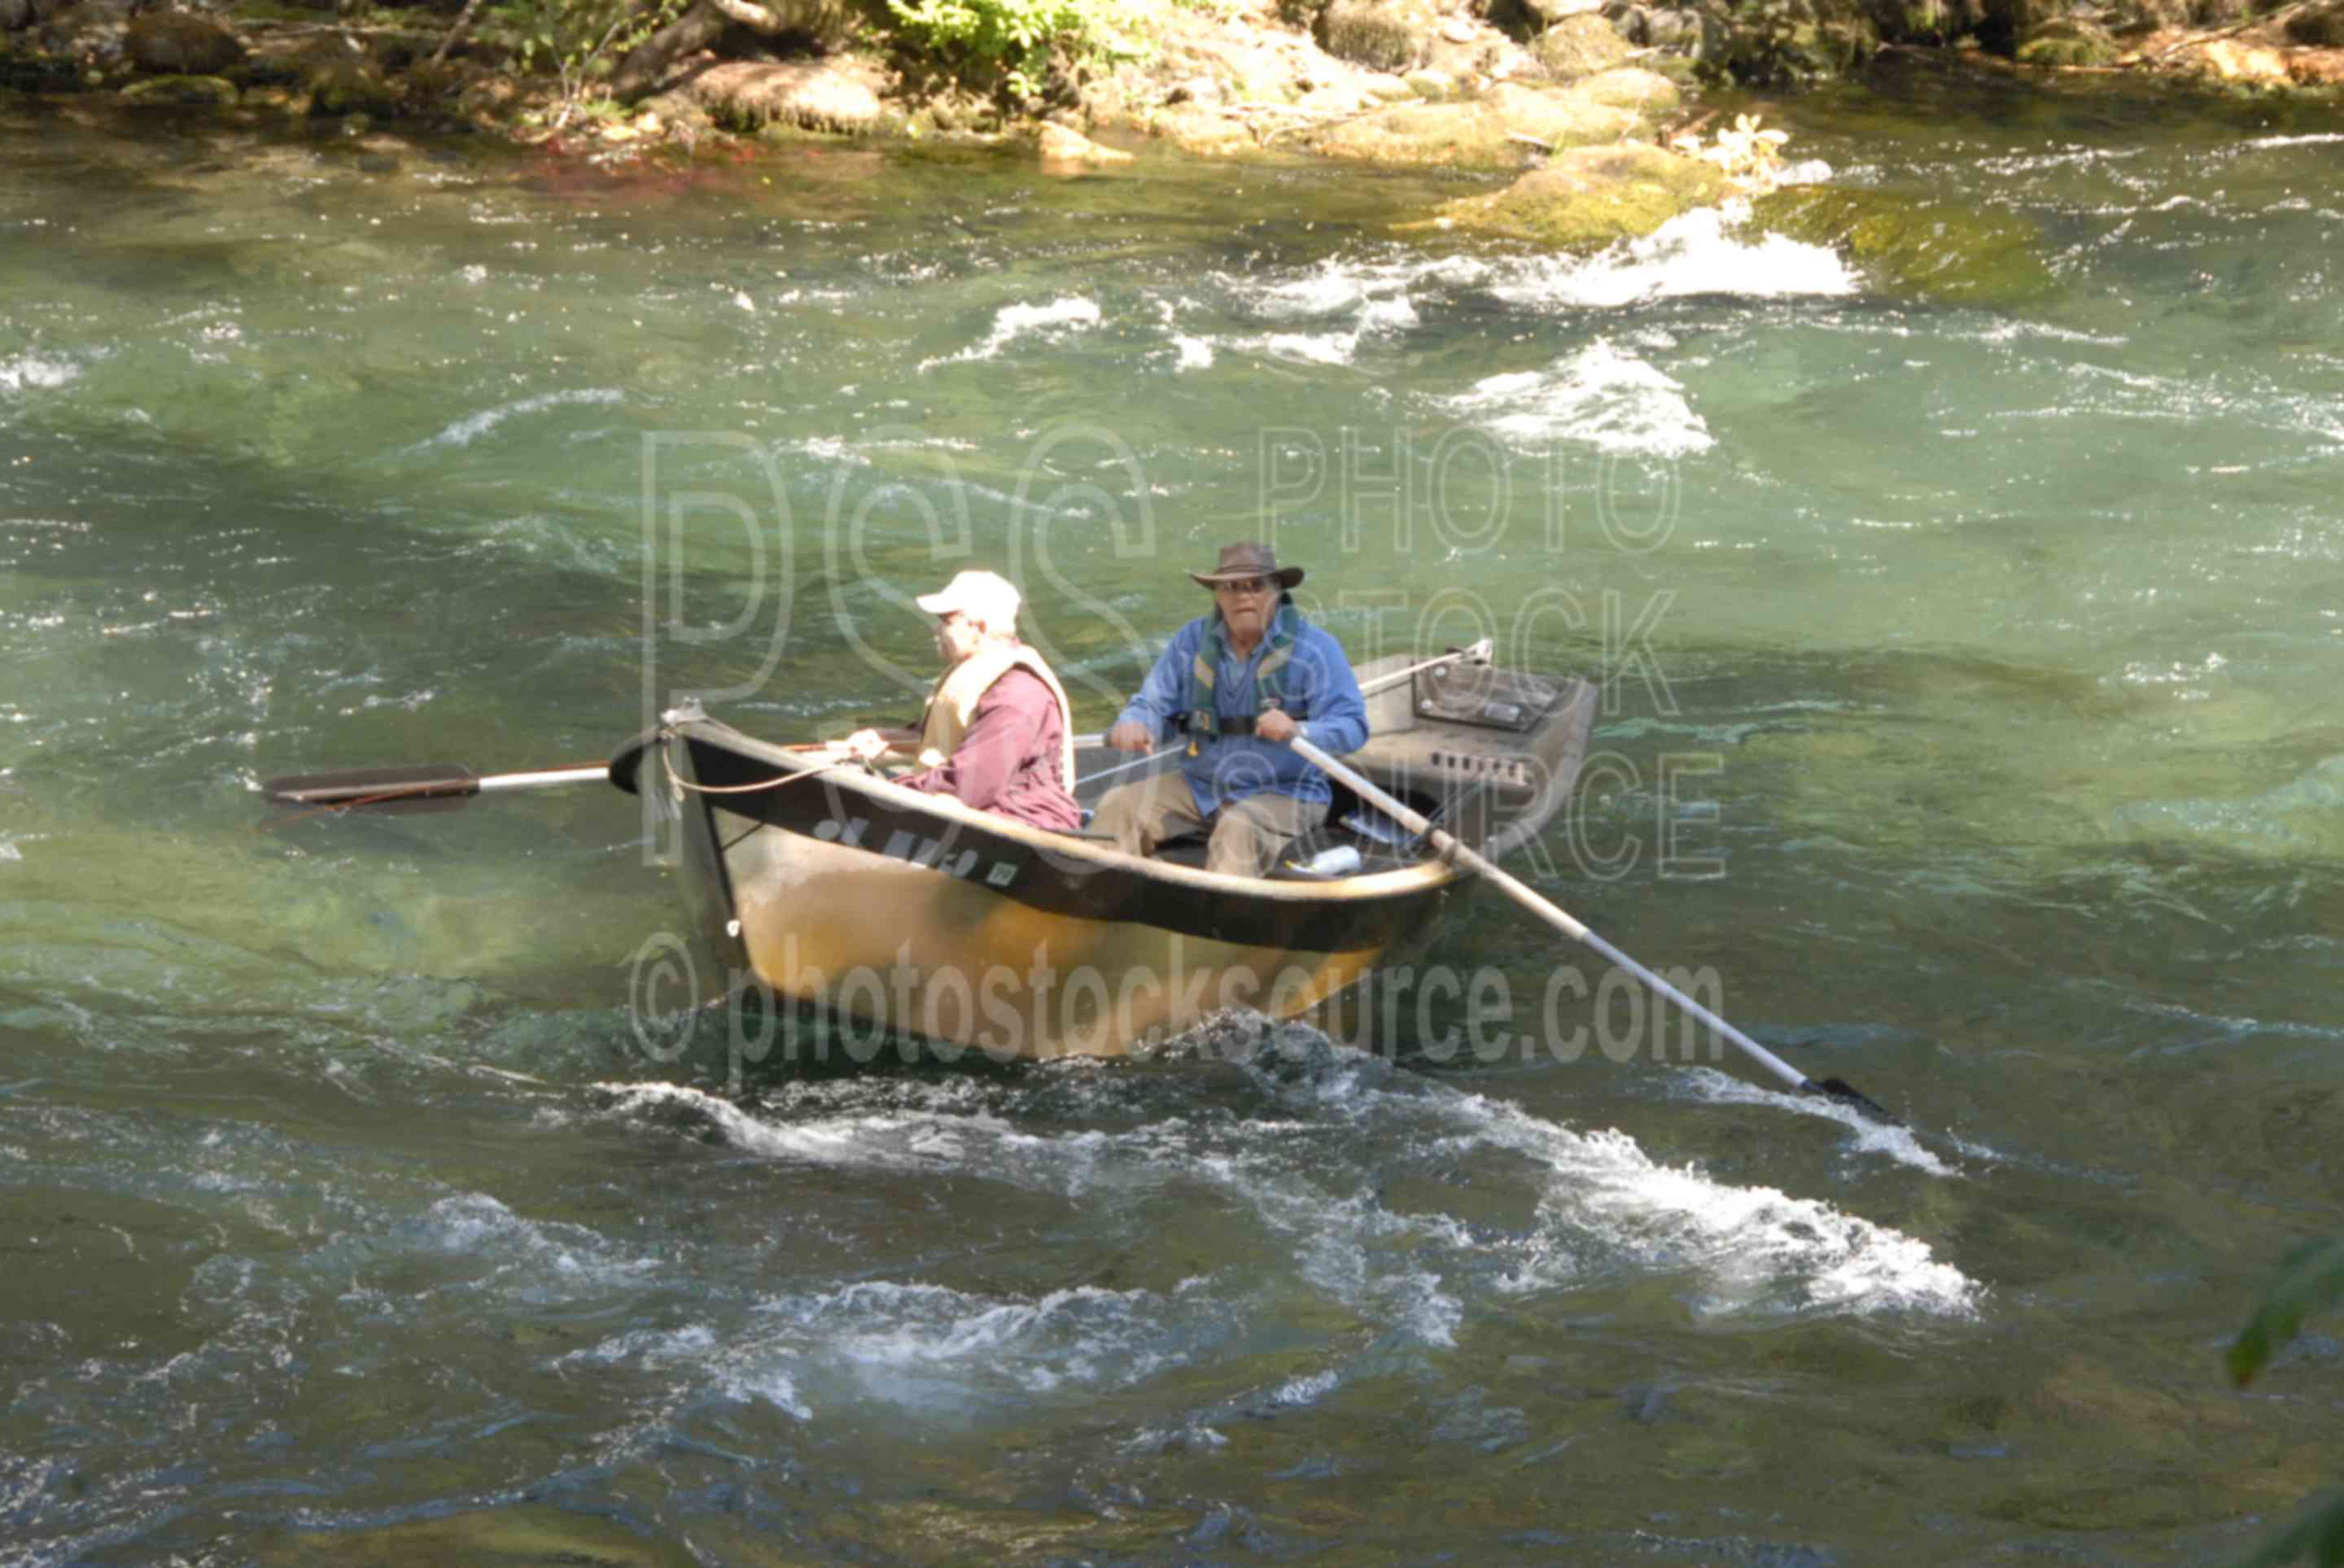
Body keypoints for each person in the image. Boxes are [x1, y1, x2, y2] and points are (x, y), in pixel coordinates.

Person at [1090, 542, 1368, 877]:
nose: (1242, 596)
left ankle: (1213, 922)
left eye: (1255, 585)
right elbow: (1153, 705)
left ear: (1277, 590)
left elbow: (1353, 726)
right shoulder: (1190, 641)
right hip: (1201, 785)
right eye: (1230, 587)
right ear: (1218, 596)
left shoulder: (1316, 648)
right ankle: (1098, 901)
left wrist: (1299, 731)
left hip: (1286, 790)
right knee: (1117, 806)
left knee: (1239, 828)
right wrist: (1135, 723)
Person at [839, 570, 1082, 834]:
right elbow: (948, 735)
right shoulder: (984, 674)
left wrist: (886, 788)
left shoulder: (1017, 696)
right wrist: (885, 737)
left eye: (946, 621)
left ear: (979, 628)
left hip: (1024, 820)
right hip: (982, 804)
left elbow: (968, 785)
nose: (936, 629)